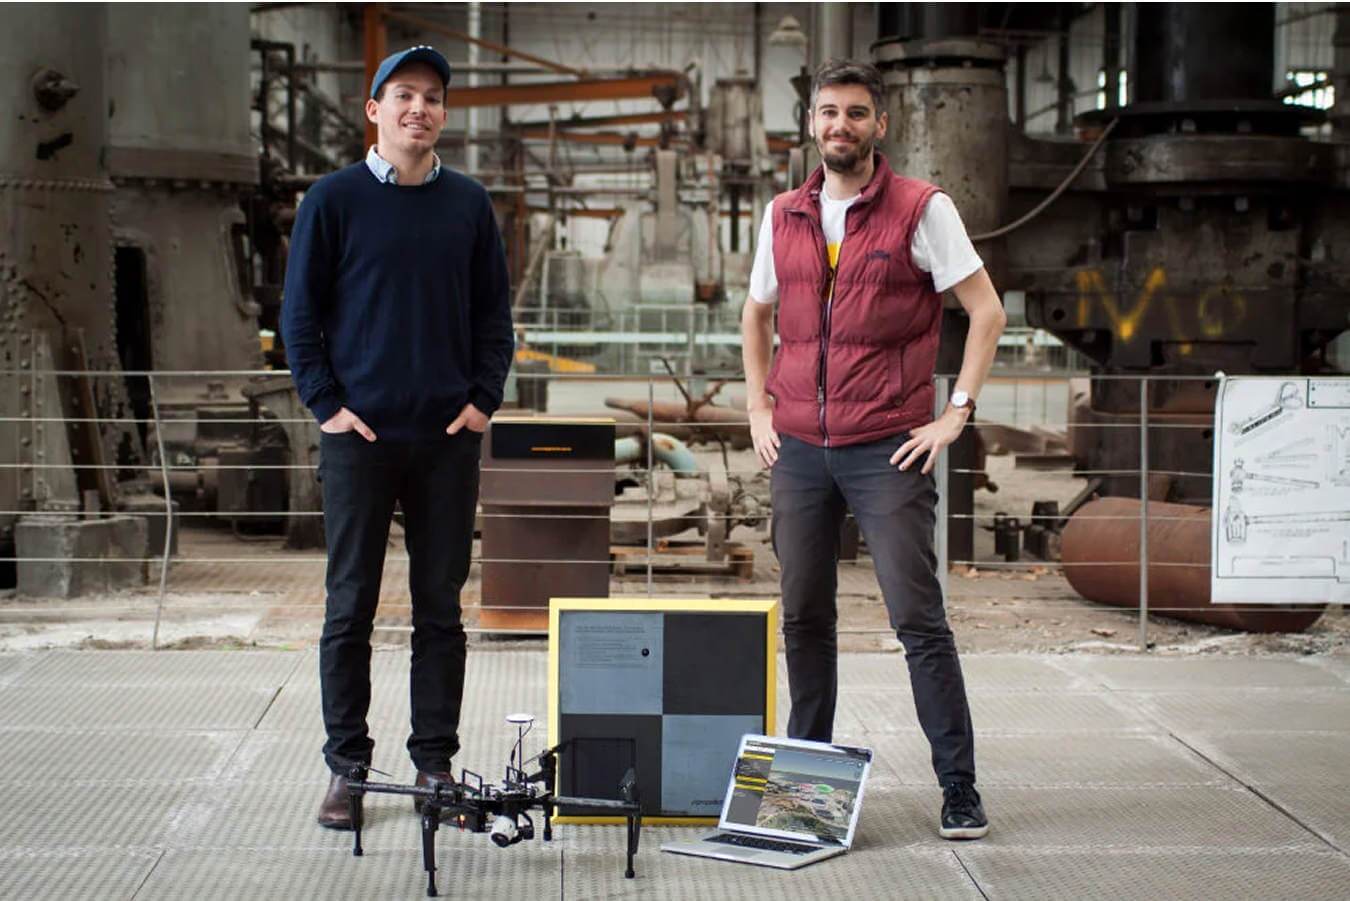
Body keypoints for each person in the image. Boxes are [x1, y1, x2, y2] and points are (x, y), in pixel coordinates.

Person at [740, 59, 1006, 840]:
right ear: (812, 123)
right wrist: (759, 406)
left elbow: (985, 312)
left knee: (917, 618)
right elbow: (757, 318)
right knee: (803, 617)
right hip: (798, 449)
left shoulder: (923, 209)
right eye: (828, 113)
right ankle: (800, 794)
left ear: (879, 125)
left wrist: (955, 411)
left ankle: (959, 787)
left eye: (856, 114)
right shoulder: (783, 214)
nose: (840, 127)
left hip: (887, 448)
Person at [281, 45, 515, 829]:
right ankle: (348, 767)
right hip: (361, 440)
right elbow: (298, 317)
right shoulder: (332, 201)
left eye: (433, 97)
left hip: (446, 440)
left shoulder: (469, 205)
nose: (420, 108)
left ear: (445, 114)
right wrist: (326, 406)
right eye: (404, 95)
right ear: (373, 109)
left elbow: (493, 318)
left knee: (439, 610)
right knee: (349, 607)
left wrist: (482, 400)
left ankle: (434, 767)